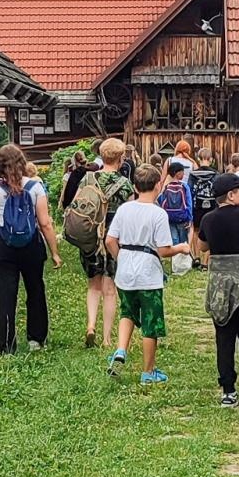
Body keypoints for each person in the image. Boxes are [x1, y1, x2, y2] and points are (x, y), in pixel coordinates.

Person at [105, 164, 188, 384]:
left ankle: (120, 350)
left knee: (127, 312)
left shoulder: (124, 209)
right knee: (150, 322)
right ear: (158, 186)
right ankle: (148, 372)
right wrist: (181, 248)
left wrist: (120, 257)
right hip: (148, 274)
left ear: (135, 186)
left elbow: (110, 240)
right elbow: (164, 250)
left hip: (125, 272)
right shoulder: (158, 214)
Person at [0, 143, 61, 354]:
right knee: (35, 289)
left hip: (3, 246)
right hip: (31, 245)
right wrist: (54, 252)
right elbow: (45, 223)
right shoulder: (35, 187)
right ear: (22, 163)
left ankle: (7, 345)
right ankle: (36, 339)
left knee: (6, 295)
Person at [197, 172, 239, 407]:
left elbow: (202, 246)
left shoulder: (208, 219)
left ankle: (228, 390)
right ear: (231, 195)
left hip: (220, 286)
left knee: (224, 336)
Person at [76, 138, 135, 349]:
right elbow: (129, 215)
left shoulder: (88, 179)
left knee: (93, 285)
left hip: (90, 238)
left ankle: (91, 325)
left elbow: (78, 205)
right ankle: (107, 338)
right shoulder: (125, 184)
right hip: (113, 240)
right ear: (120, 158)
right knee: (109, 289)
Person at [158, 159, 195, 247]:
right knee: (183, 240)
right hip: (182, 217)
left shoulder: (167, 186)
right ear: (178, 173)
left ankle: (175, 254)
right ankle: (183, 254)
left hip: (170, 217)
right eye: (182, 172)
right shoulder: (184, 186)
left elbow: (161, 200)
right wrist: (190, 218)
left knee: (174, 240)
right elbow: (189, 203)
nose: (183, 174)